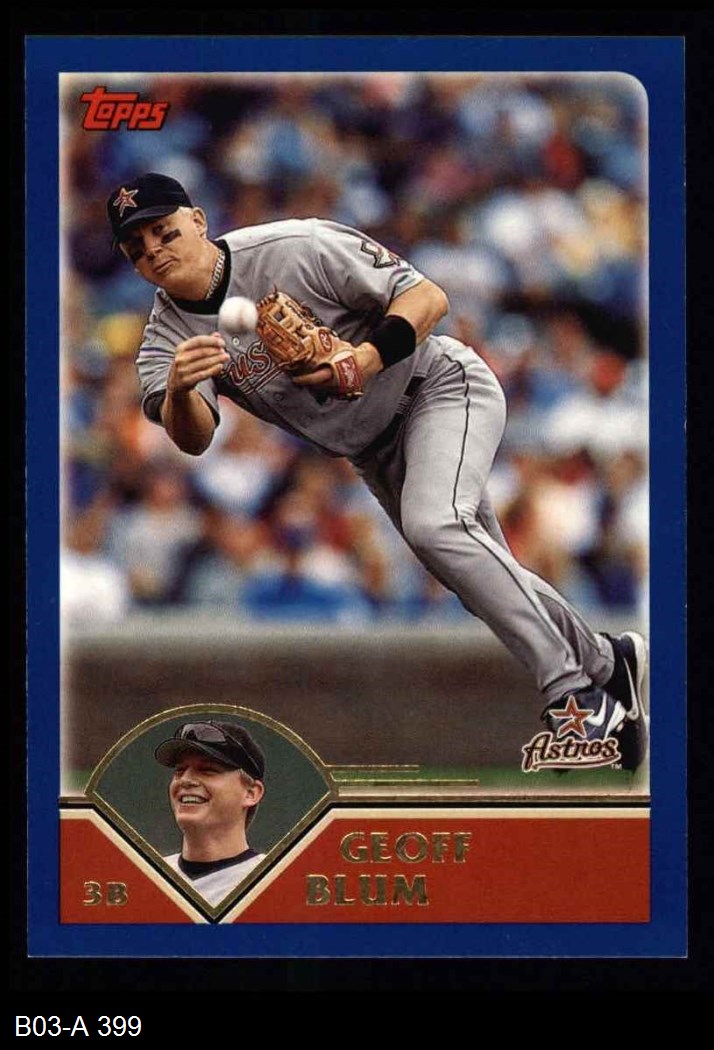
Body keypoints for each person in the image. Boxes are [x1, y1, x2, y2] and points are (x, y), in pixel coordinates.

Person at [110, 172, 648, 772]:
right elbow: (194, 439)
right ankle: (608, 661)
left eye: (164, 231)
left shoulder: (296, 245)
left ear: (198, 221)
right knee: (475, 573)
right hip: (372, 451)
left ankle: (572, 692)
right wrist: (182, 389)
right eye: (137, 246)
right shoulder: (166, 338)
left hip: (437, 387)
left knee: (437, 528)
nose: (154, 249)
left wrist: (363, 359)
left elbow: (428, 298)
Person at [154, 719, 266, 904]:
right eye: (180, 770)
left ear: (250, 793)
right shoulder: (145, 879)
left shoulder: (275, 881)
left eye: (207, 770)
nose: (186, 780)